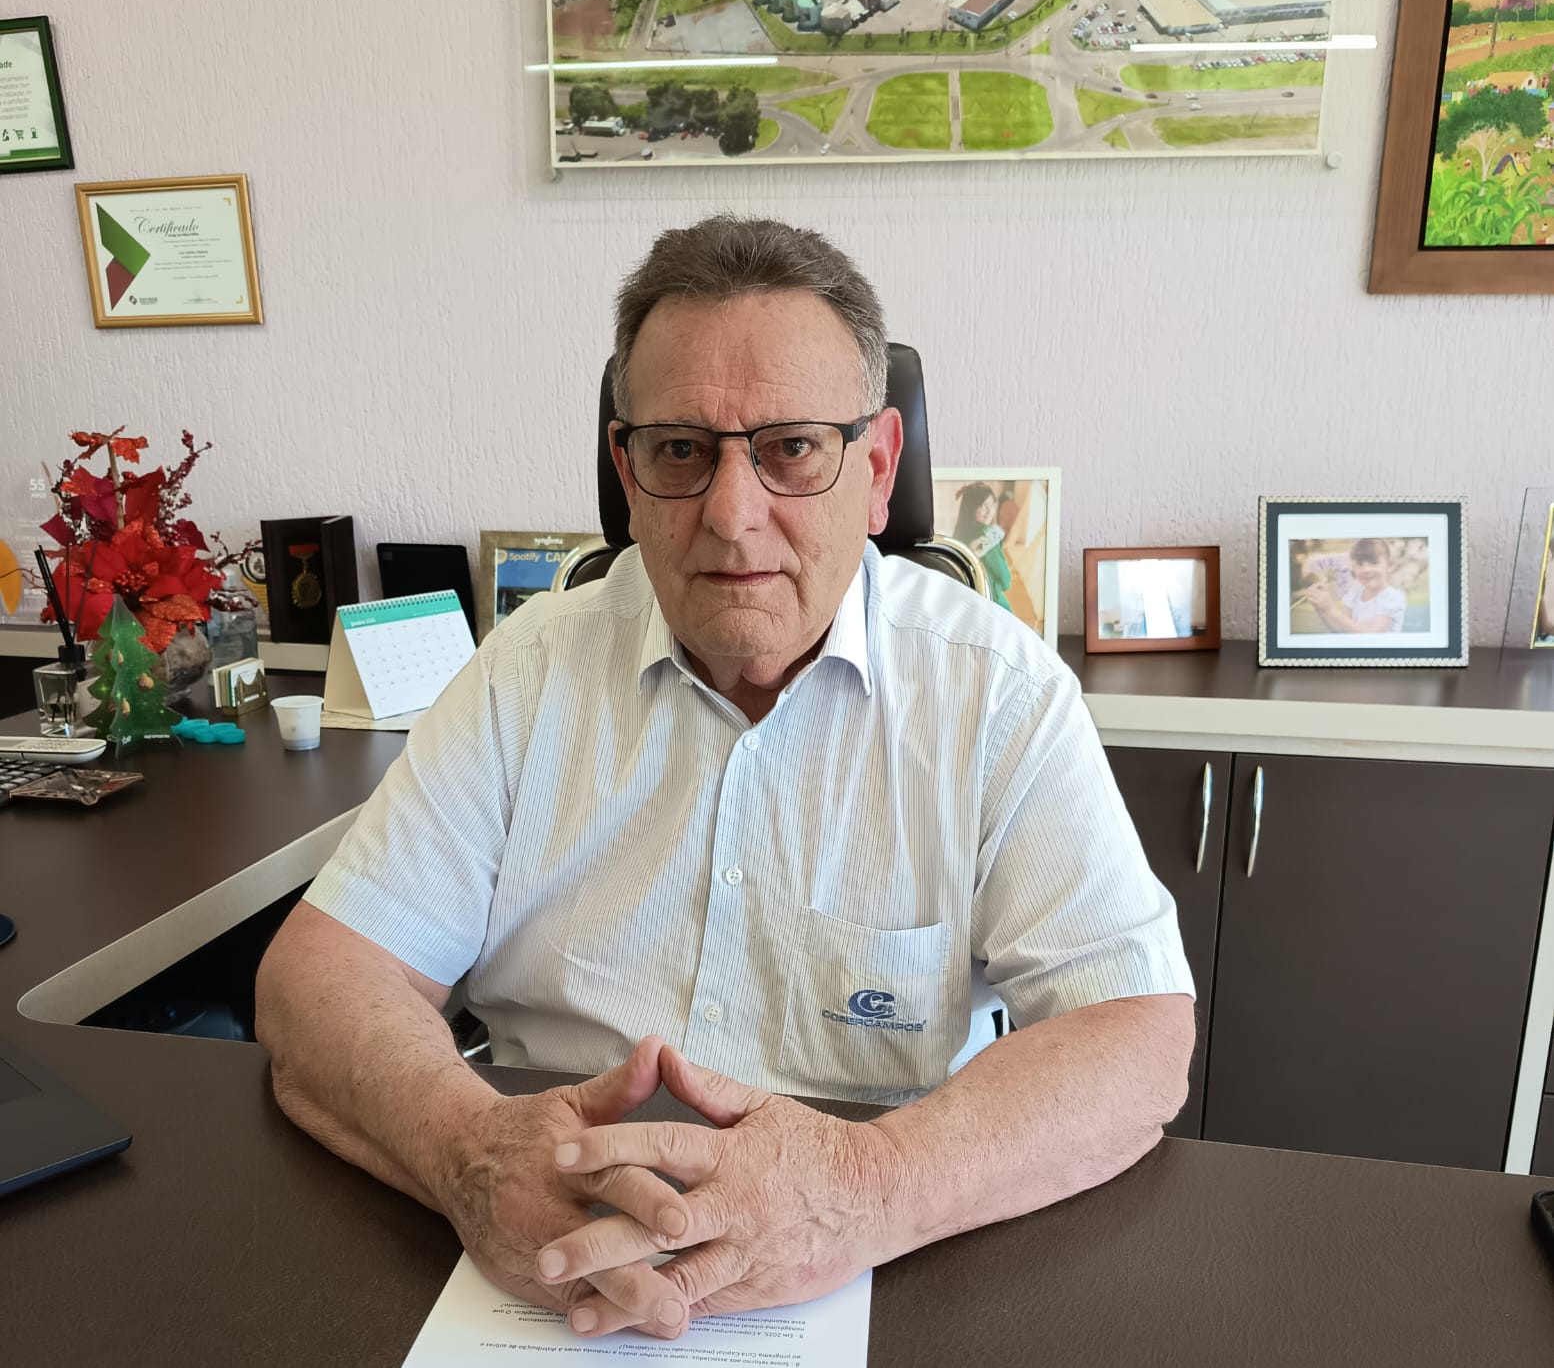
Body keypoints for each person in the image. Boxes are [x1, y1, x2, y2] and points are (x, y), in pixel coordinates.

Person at [255, 215, 1194, 1346]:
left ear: (878, 469)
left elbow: (1135, 1033)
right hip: (536, 1251)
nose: (733, 515)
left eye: (792, 448)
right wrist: (468, 1150)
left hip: (868, 1264)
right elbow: (320, 979)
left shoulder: (995, 694)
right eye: (680, 451)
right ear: (627, 472)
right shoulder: (525, 674)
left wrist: (864, 1186)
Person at [1301, 538, 1406, 635]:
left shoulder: (1393, 597)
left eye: (1374, 563)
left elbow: (1371, 635)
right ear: (1354, 567)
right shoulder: (1355, 590)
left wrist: (1330, 609)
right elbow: (1340, 630)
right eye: (1360, 564)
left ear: (1390, 565)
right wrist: (1322, 609)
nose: (1366, 570)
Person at [950, 482, 1013, 611]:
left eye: (992, 505)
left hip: (966, 604)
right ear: (972, 508)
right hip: (993, 603)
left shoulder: (958, 537)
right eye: (984, 505)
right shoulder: (988, 537)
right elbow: (1005, 580)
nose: (990, 511)